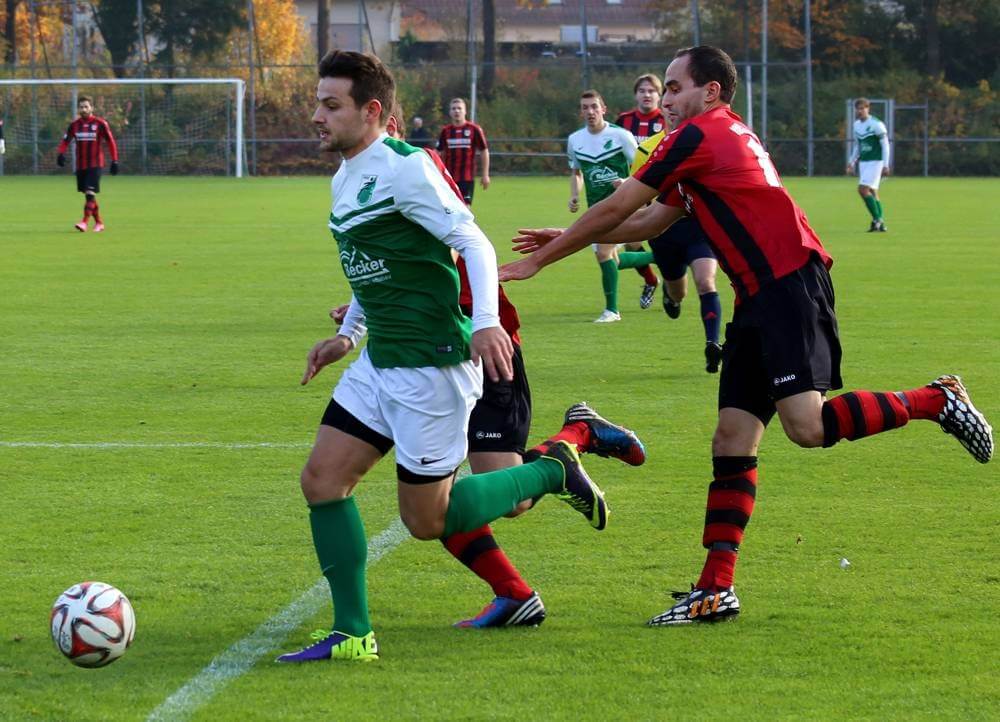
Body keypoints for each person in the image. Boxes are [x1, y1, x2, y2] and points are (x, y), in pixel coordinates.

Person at [501, 46, 993, 626]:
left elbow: (620, 205)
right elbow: (649, 220)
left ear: (710, 91)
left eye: (676, 87)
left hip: (787, 286)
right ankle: (716, 589)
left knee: (807, 426)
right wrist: (570, 234)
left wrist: (545, 258)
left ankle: (936, 399)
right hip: (759, 297)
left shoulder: (699, 135)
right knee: (732, 437)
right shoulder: (710, 136)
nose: (667, 99)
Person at [277, 50, 637, 664]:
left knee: (426, 520)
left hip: (431, 366)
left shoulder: (406, 168)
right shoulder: (346, 176)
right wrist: (350, 336)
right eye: (318, 103)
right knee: (322, 480)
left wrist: (486, 323)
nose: (317, 116)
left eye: (330, 105)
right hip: (380, 362)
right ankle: (353, 634)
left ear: (371, 110)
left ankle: (553, 467)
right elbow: (373, 267)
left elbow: (472, 240)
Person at [629, 115, 723, 373]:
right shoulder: (646, 149)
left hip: (697, 227)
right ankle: (670, 297)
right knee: (678, 292)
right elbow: (638, 194)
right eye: (668, 104)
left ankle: (712, 343)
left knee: (706, 281)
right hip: (663, 231)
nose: (674, 110)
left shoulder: (705, 142)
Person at [566, 89, 650, 323]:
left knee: (604, 253)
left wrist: (625, 182)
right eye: (585, 107)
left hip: (623, 203)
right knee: (614, 258)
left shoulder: (621, 136)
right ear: (580, 112)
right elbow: (576, 172)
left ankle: (612, 311)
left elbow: (643, 169)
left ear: (604, 109)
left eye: (594, 106)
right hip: (596, 207)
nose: (590, 111)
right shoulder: (575, 140)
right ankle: (665, 259)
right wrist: (574, 195)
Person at [614, 73, 668, 309]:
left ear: (660, 95)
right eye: (642, 90)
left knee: (664, 240)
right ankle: (651, 280)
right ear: (636, 94)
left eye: (652, 91)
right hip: (633, 189)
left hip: (662, 191)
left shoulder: (668, 119)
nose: (647, 95)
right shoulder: (624, 121)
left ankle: (672, 279)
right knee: (631, 241)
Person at [56, 96, 120, 233]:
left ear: (92, 108)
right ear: (78, 109)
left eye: (86, 107)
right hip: (81, 165)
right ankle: (99, 223)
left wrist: (115, 160)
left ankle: (84, 222)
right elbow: (65, 141)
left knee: (90, 193)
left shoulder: (100, 124)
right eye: (81, 107)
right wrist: (61, 153)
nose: (84, 109)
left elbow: (111, 142)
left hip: (95, 164)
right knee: (88, 195)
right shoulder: (74, 125)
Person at [846, 97, 890, 232]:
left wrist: (886, 164)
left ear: (868, 109)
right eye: (858, 109)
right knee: (873, 191)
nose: (860, 111)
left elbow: (885, 145)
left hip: (876, 162)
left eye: (862, 108)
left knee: (862, 189)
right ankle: (880, 224)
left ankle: (877, 219)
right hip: (864, 163)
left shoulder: (876, 124)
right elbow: (857, 146)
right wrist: (851, 162)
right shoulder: (856, 125)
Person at [437, 98, 490, 205]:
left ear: (465, 111)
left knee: (465, 208)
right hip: (449, 178)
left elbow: (484, 151)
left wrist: (485, 174)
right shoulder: (445, 131)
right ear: (450, 112)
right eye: (453, 109)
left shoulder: (474, 129)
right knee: (450, 208)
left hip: (467, 178)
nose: (456, 111)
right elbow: (438, 153)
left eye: (459, 108)